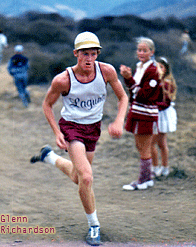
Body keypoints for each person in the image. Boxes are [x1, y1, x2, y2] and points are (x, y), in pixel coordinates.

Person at [30, 31, 128, 246]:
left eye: (93, 54)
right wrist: (57, 132)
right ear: (75, 53)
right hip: (71, 128)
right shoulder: (63, 80)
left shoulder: (107, 71)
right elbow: (47, 105)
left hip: (93, 128)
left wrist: (119, 121)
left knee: (78, 177)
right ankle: (94, 226)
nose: (89, 59)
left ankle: (50, 158)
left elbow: (123, 97)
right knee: (87, 178)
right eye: (85, 53)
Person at [120, 37, 160, 191]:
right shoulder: (140, 67)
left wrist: (128, 78)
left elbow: (143, 94)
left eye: (145, 50)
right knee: (141, 146)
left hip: (146, 114)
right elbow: (134, 91)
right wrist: (129, 78)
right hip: (138, 111)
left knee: (144, 147)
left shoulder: (153, 70)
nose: (141, 53)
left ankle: (142, 181)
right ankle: (147, 178)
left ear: (152, 52)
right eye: (139, 50)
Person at [151, 57, 177, 177]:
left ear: (166, 69)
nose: (158, 70)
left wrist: (153, 105)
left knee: (159, 143)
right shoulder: (153, 81)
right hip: (154, 113)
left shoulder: (166, 83)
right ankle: (157, 167)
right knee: (156, 143)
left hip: (162, 115)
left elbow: (166, 102)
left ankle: (162, 168)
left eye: (161, 67)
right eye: (156, 67)